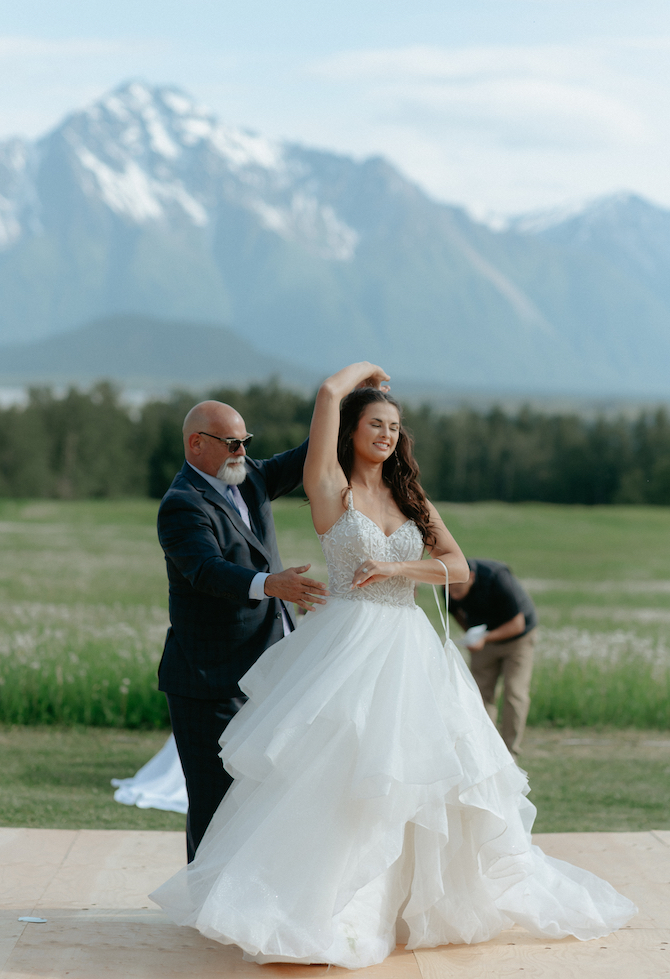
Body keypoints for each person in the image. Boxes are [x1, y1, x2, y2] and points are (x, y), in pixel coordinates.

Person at [151, 364, 635, 970]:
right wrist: (361, 377)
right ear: (351, 430)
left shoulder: (409, 496)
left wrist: (402, 569)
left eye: (394, 425)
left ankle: (404, 903)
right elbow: (329, 397)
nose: (386, 433)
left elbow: (457, 566)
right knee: (337, 780)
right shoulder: (326, 484)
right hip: (345, 646)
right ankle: (310, 909)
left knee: (421, 779)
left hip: (410, 647)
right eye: (375, 424)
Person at [156, 399, 328, 861]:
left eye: (246, 442)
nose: (242, 451)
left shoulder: (247, 476)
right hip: (207, 682)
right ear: (196, 444)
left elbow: (307, 456)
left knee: (263, 797)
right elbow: (207, 571)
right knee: (215, 804)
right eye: (233, 443)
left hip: (266, 671)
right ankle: (205, 907)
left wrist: (347, 402)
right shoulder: (181, 505)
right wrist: (271, 584)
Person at [448, 558, 538, 757]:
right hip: (484, 640)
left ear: (470, 577)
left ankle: (509, 752)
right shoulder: (449, 584)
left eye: (456, 587)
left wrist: (484, 638)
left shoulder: (497, 578)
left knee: (515, 692)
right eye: (449, 587)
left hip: (519, 640)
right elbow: (454, 611)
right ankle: (484, 751)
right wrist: (472, 634)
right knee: (479, 694)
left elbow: (518, 624)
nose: (452, 591)